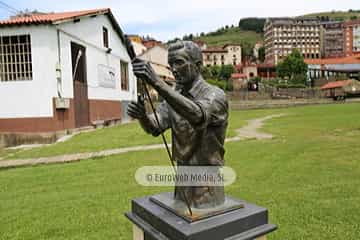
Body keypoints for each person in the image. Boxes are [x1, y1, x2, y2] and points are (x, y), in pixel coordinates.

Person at [127, 41, 228, 209]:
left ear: (197, 65)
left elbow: (197, 115)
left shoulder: (215, 95)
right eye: (171, 64)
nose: (173, 69)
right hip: (182, 182)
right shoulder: (174, 96)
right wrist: (143, 116)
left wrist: (157, 82)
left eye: (179, 62)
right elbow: (155, 126)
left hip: (207, 185)